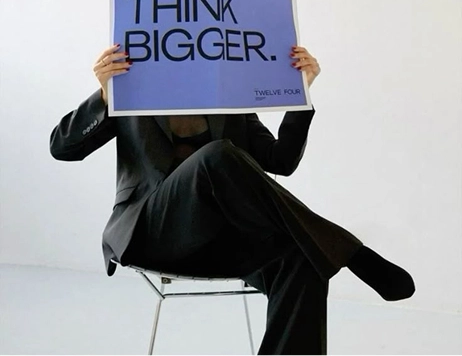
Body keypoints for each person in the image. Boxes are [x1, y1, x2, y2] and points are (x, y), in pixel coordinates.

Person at [50, 43, 415, 355]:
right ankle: (348, 249)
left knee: (304, 257)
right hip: (152, 232)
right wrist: (104, 95)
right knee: (216, 156)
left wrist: (300, 93)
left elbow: (281, 161)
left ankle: (335, 247)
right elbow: (63, 148)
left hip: (225, 243)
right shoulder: (131, 93)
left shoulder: (231, 104)